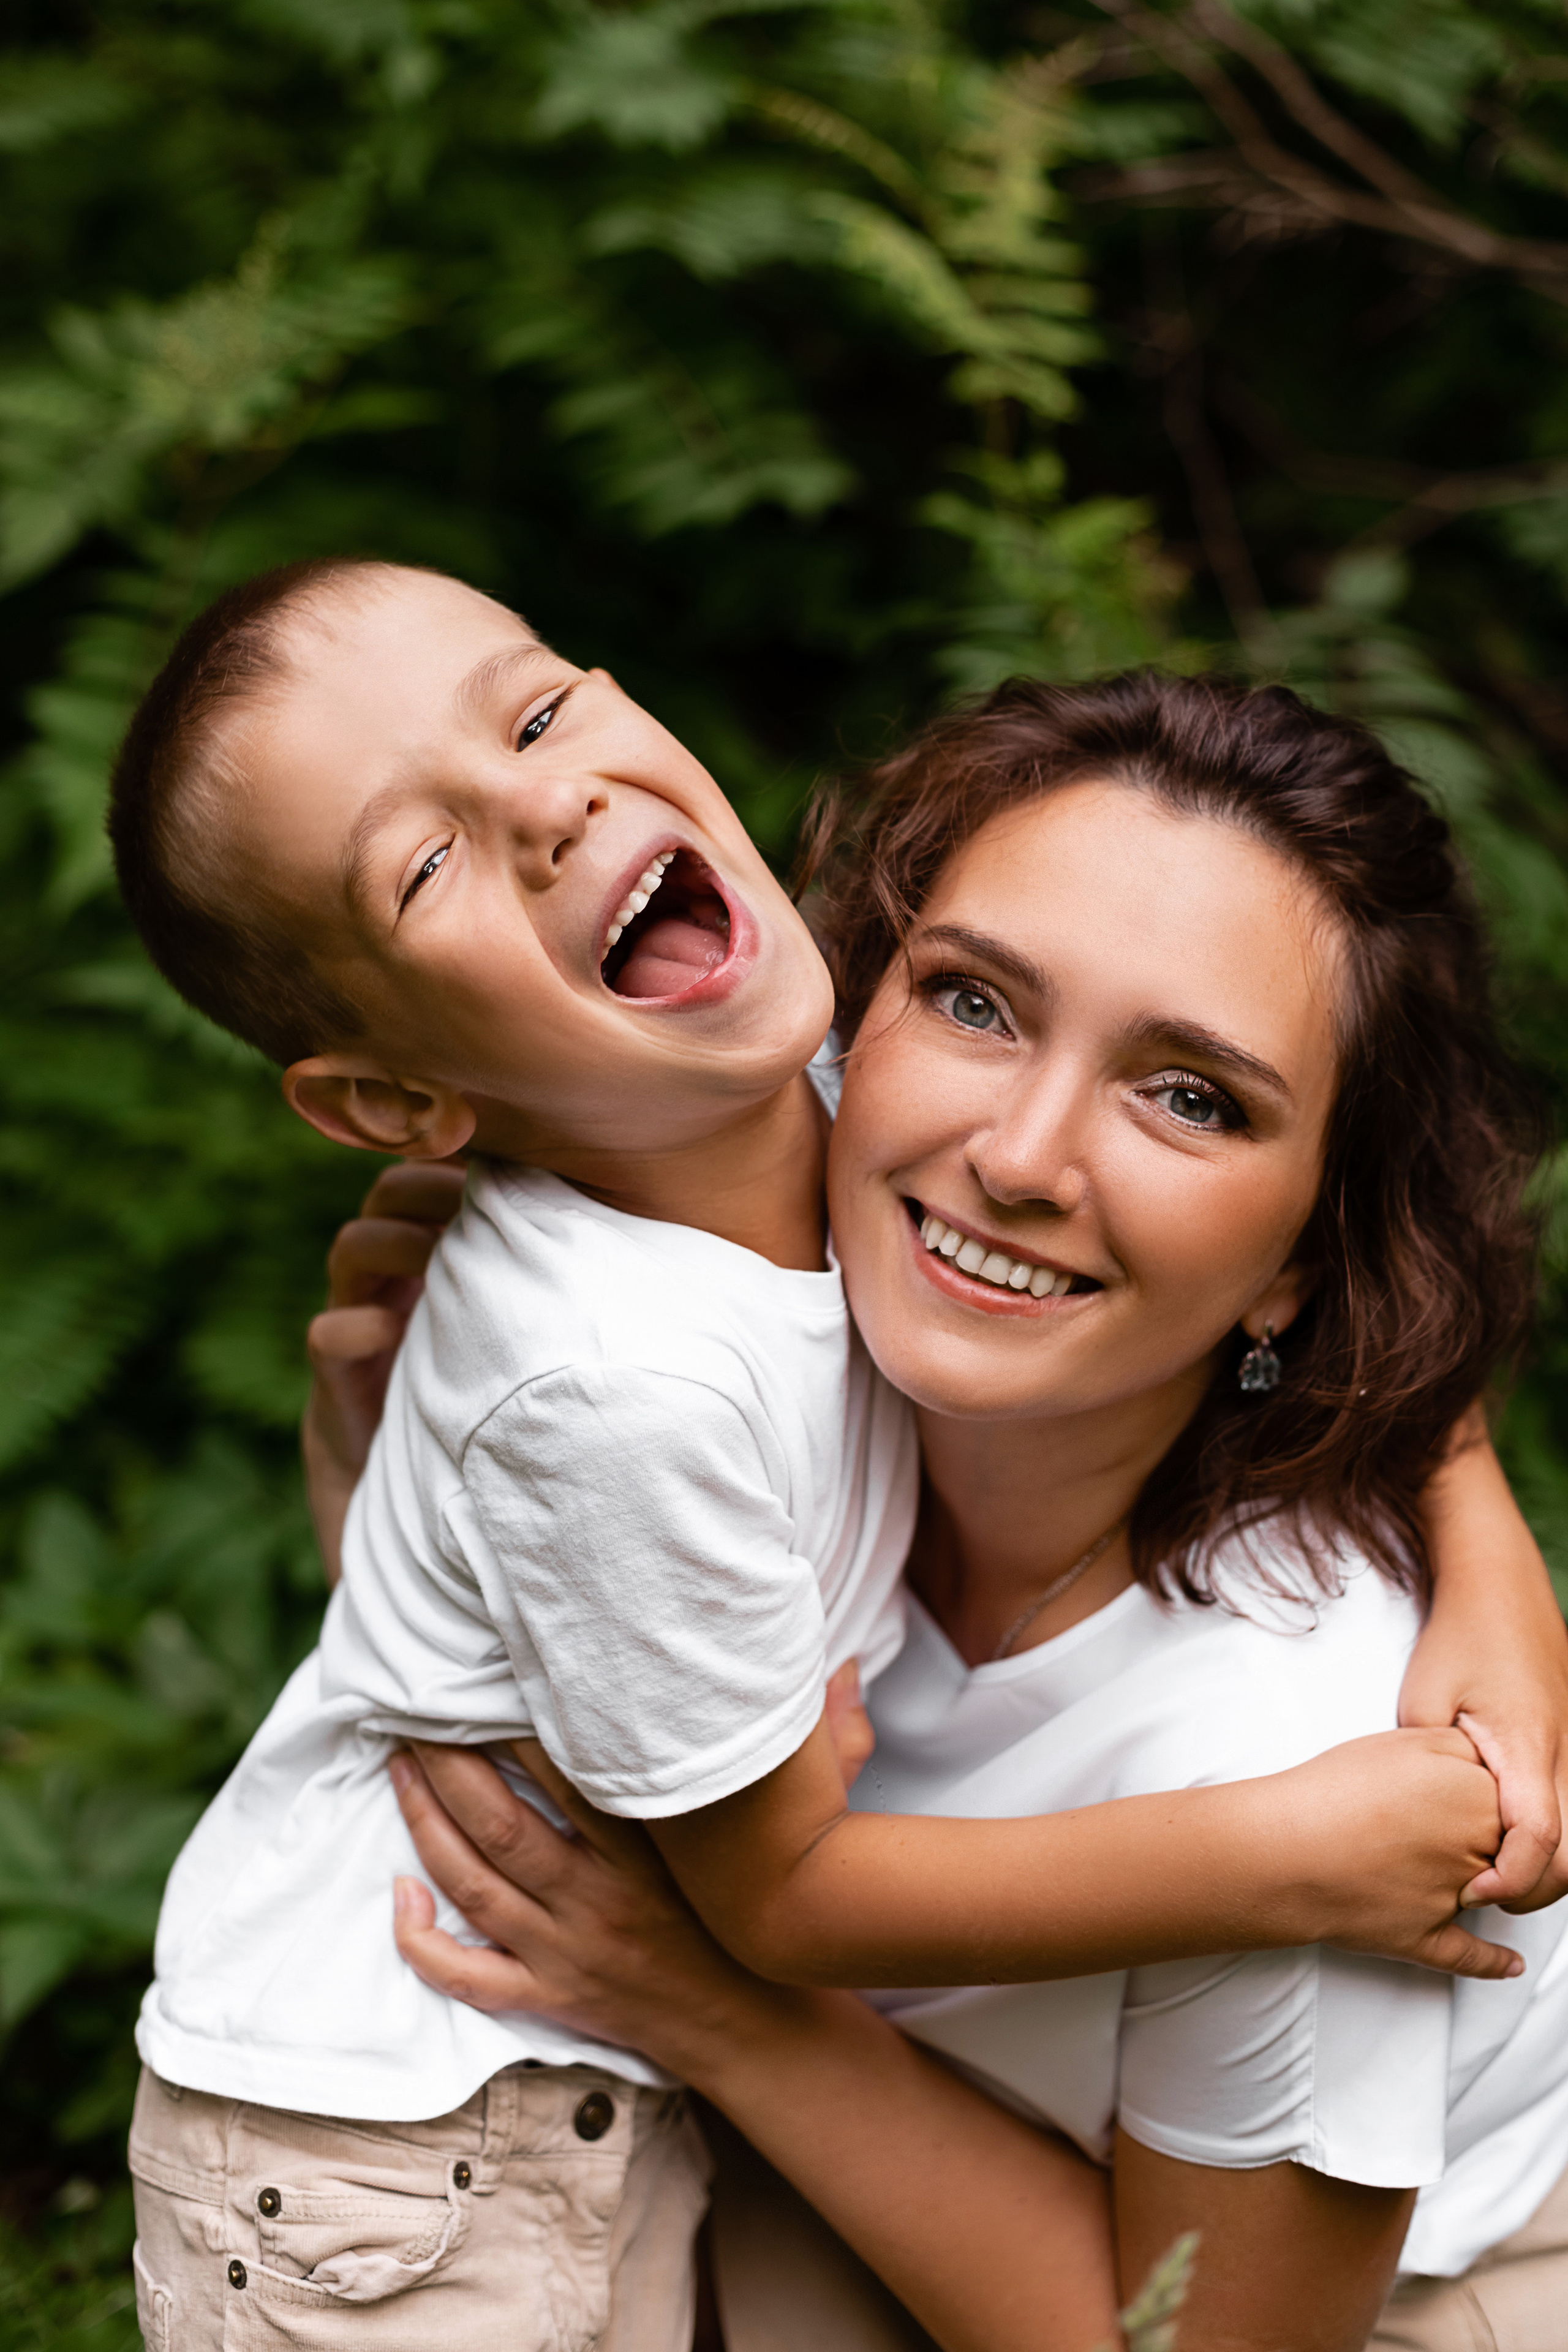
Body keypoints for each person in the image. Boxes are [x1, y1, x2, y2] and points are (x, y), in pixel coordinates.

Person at [111, 562, 1554, 2351]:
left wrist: (716, 2000)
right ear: (871, 991)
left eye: (1191, 1096)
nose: (1020, 1152)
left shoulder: (1327, 1793)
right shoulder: (703, 1177)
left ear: (1308, 1250)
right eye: (974, 1002)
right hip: (614, 2138)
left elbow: (1199, 2346)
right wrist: (393, 1471)